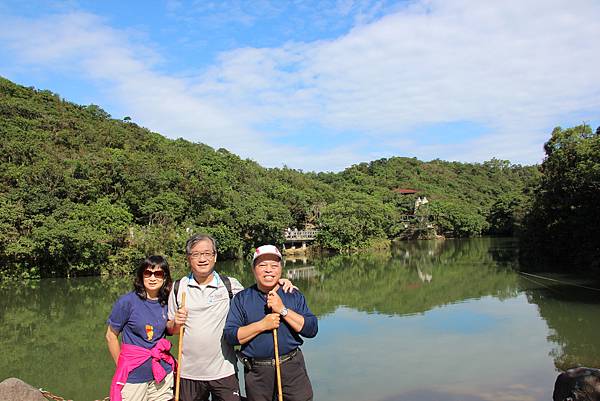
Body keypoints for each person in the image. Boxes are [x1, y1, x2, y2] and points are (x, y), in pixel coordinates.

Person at [167, 234, 297, 401]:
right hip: (189, 372)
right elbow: (171, 330)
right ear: (188, 258)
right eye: (196, 254)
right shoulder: (178, 288)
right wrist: (176, 323)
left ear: (215, 256)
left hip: (224, 370)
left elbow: (257, 296)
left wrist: (279, 283)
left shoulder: (230, 285)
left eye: (207, 253)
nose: (202, 259)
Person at [224, 245, 318, 401]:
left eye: (274, 266)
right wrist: (262, 325)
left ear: (281, 269)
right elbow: (231, 336)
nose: (269, 270)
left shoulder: (292, 294)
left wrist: (283, 310)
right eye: (262, 265)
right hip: (258, 373)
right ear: (253, 269)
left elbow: (311, 329)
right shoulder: (242, 299)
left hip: (292, 367)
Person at [106, 255, 175, 401]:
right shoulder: (127, 302)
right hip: (134, 376)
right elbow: (111, 336)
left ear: (164, 277)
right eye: (147, 273)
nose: (152, 278)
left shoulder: (168, 301)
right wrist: (123, 366)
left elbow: (171, 329)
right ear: (141, 276)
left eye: (158, 274)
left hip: (162, 373)